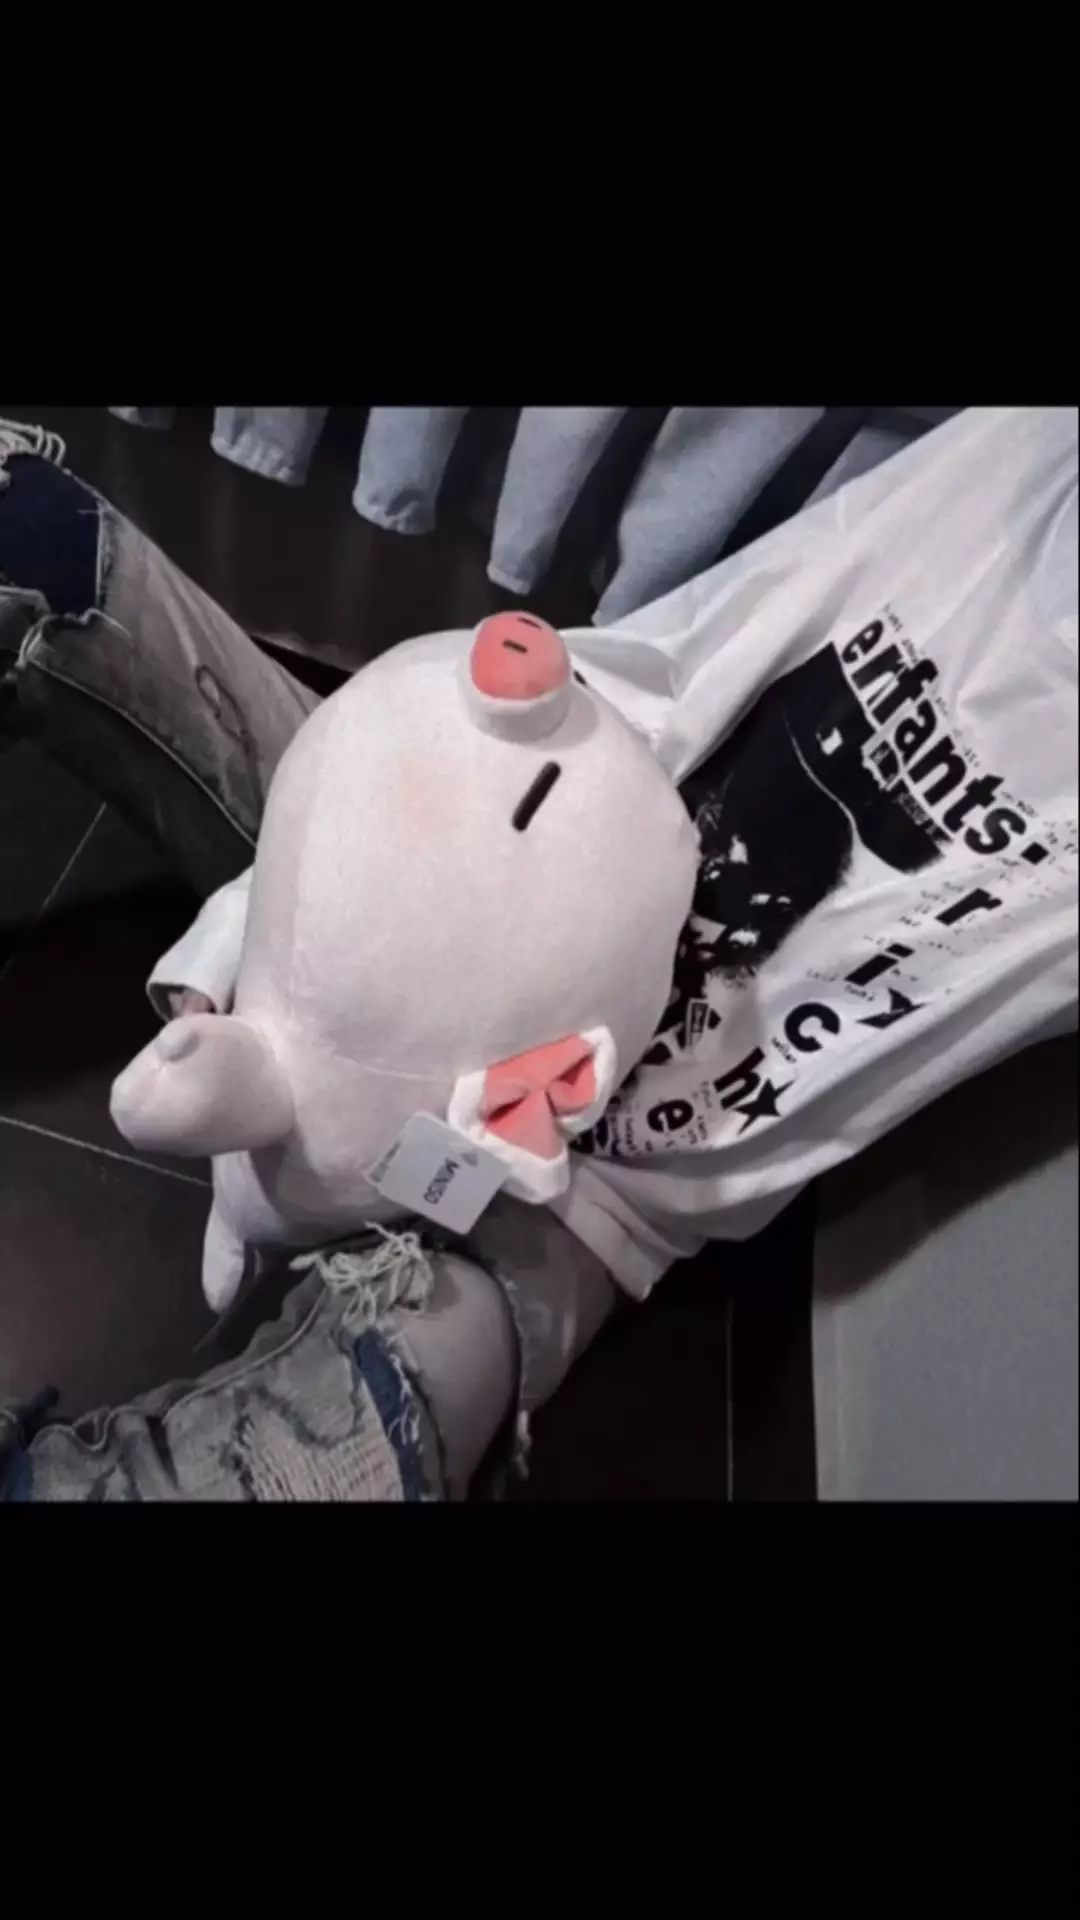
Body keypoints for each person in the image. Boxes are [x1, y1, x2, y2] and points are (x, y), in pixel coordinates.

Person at [2, 408, 1077, 1498]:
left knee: (292, 1472)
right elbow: (627, 688)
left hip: (583, 1197)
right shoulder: (1019, 458)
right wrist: (272, 925)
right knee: (29, 536)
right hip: (461, 879)